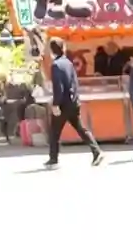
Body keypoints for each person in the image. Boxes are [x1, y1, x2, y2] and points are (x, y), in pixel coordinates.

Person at [45, 36, 103, 168]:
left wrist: (55, 104)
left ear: (52, 50)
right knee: (81, 129)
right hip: (73, 102)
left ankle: (53, 160)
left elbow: (58, 87)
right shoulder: (68, 63)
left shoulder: (55, 65)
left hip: (63, 104)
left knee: (54, 132)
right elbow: (75, 83)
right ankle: (97, 151)